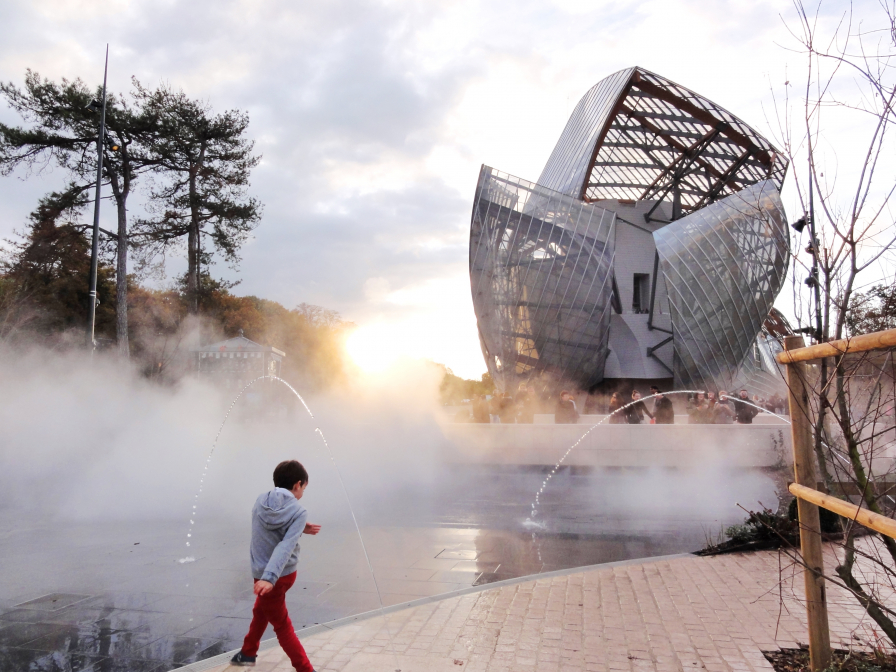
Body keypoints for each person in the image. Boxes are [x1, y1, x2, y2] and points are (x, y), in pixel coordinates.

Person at [231, 460, 321, 671]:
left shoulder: (260, 501)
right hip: (278, 576)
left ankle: (249, 653)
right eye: (304, 488)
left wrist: (300, 527)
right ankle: (249, 652)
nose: (302, 493)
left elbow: (271, 534)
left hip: (265, 576)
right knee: (272, 618)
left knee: (273, 617)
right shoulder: (298, 511)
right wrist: (269, 578)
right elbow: (285, 546)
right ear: (298, 485)